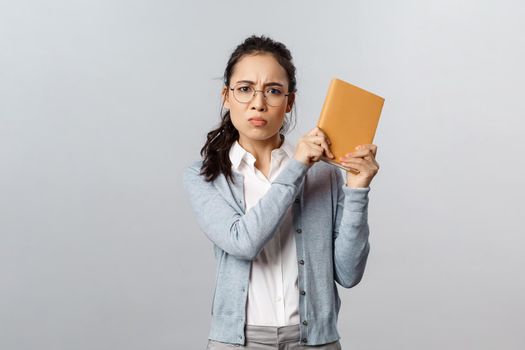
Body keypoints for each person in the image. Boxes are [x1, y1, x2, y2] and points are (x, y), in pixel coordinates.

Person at [182, 35, 380, 350]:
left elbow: (349, 273)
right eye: (245, 89)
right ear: (226, 96)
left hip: (315, 342)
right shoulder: (205, 176)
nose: (258, 103)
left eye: (273, 91)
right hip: (238, 342)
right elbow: (242, 242)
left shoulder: (324, 173)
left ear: (289, 102)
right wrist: (298, 165)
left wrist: (357, 190)